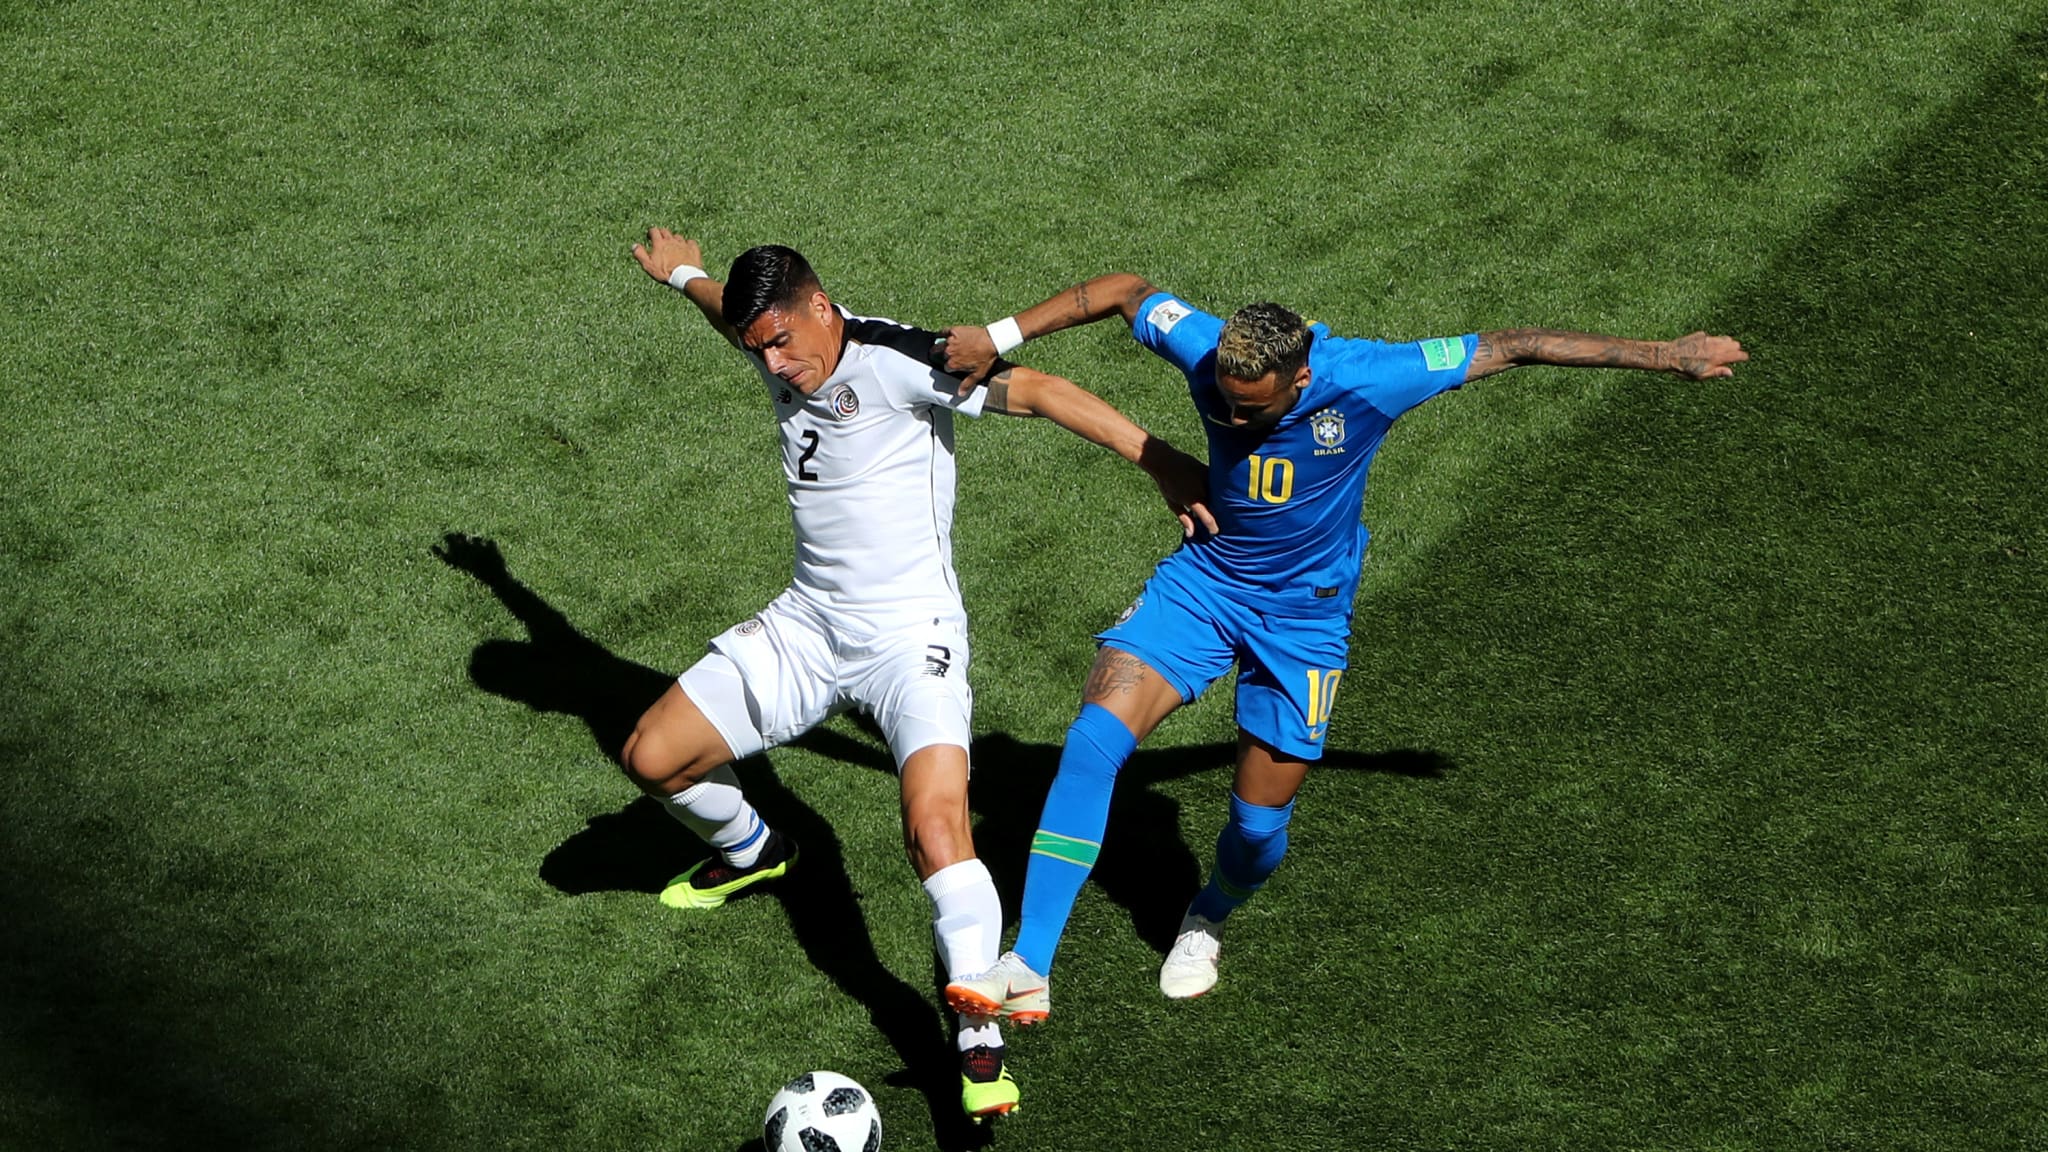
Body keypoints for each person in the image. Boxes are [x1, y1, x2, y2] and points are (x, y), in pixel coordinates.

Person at [936, 274, 1747, 1020]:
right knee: (1091, 742)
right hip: (1208, 582)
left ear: (1300, 378)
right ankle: (1029, 963)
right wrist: (1001, 334)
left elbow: (1515, 345)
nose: (1234, 420)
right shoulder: (1208, 347)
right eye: (1225, 399)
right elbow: (1121, 291)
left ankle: (1208, 914)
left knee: (1255, 831)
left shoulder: (1369, 378)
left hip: (1303, 620)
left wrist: (1666, 356)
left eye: (1255, 411)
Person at [622, 233, 1212, 1119]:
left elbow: (1042, 392)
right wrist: (683, 274)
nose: (777, 364)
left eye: (784, 341)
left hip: (912, 642)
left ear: (823, 306)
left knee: (935, 828)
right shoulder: (773, 342)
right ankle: (756, 851)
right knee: (652, 756)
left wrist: (1163, 463)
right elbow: (726, 314)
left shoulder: (897, 360)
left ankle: (979, 1036)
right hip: (808, 625)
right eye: (760, 350)